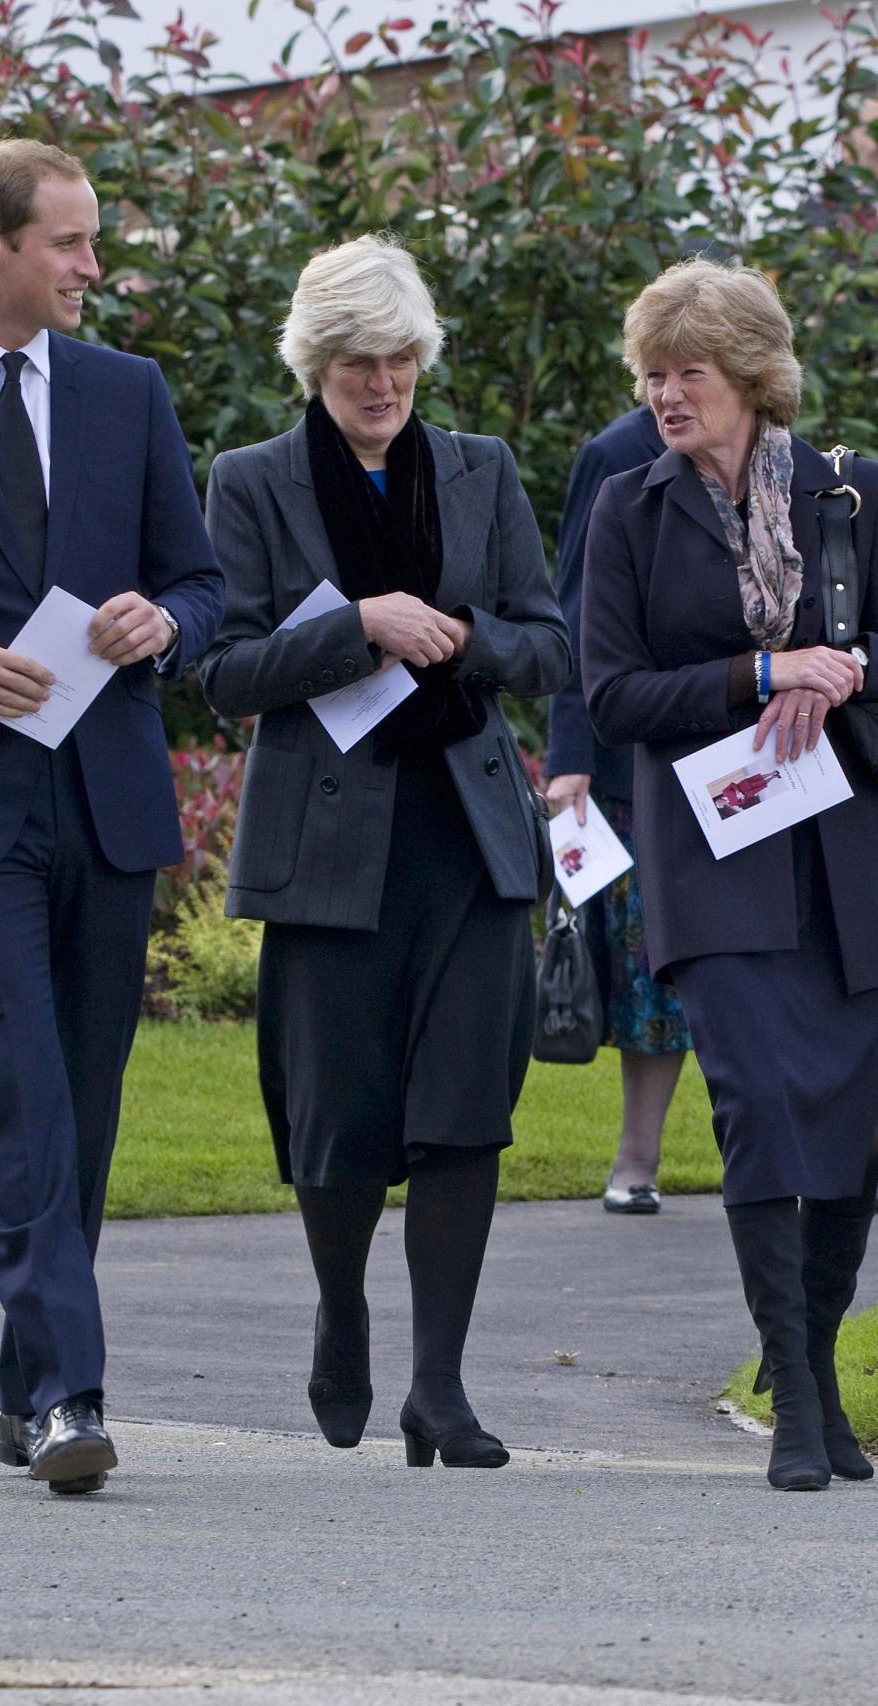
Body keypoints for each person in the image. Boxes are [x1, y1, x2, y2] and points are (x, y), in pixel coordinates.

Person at [200, 234, 570, 1469]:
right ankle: (343, 1309)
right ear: (316, 363)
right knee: (338, 1120)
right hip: (327, 842)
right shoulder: (252, 479)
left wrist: (460, 638)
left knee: (467, 1112)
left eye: (402, 357)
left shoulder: (481, 469)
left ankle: (442, 1388)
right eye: (359, 360)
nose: (383, 383)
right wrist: (356, 626)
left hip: (468, 838)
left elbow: (549, 641)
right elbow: (220, 672)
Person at [0, 140, 224, 1493]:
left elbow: (201, 582)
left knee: (83, 1111)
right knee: (25, 1088)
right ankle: (69, 1396)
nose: (94, 267)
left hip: (107, 803)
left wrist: (166, 619)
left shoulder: (126, 391)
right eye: (70, 243)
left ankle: (20, 1379)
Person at [581, 256, 878, 1491]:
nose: (664, 393)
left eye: (686, 371)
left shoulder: (851, 495)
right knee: (757, 1103)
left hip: (851, 857)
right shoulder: (629, 509)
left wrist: (846, 670)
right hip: (717, 851)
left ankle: (808, 1364)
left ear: (751, 374)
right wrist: (761, 674)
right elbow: (610, 689)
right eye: (651, 373)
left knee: (857, 1131)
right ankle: (799, 1391)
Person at [544, 405, 691, 1216]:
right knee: (648, 971)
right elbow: (575, 609)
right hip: (633, 754)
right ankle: (638, 1158)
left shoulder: (783, 456)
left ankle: (778, 1153)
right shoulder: (615, 454)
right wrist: (569, 758)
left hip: (752, 749)